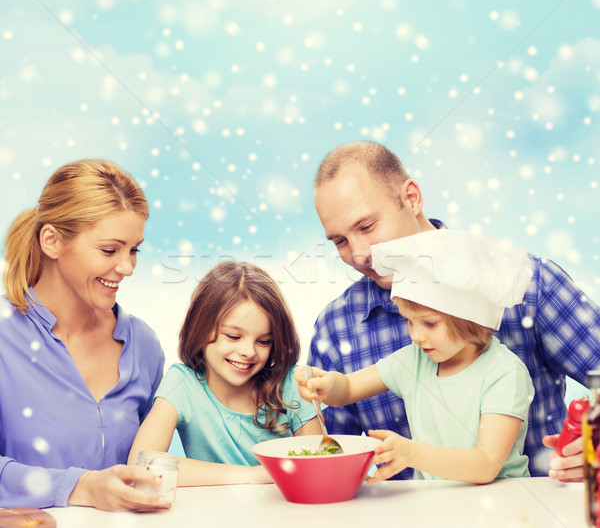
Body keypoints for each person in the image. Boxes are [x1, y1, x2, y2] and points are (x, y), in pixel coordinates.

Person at [309, 140, 600, 481]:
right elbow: (327, 454)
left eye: (367, 226)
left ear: (411, 198)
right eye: (340, 241)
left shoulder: (529, 286)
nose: (358, 255)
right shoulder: (338, 325)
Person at [298, 230, 535, 482]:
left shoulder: (504, 373)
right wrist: (325, 384)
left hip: (501, 509)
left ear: (471, 318)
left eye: (430, 323)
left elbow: (485, 465)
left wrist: (411, 453)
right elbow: (347, 389)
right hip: (436, 508)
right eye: (409, 321)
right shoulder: (414, 361)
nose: (416, 336)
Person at [0, 159, 166, 511]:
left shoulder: (144, 346)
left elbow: (150, 461)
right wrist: (82, 487)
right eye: (110, 250)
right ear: (52, 241)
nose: (127, 267)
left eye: (134, 250)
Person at [128, 261, 320, 485]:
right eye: (233, 336)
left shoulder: (292, 385)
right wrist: (255, 475)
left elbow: (319, 468)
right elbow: (140, 466)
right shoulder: (183, 383)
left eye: (264, 341)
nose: (248, 351)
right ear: (199, 327)